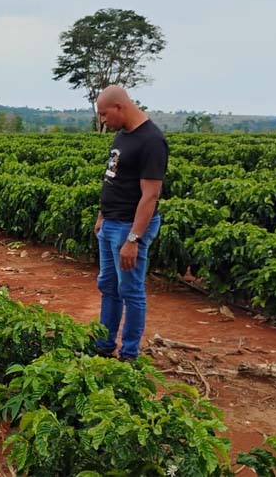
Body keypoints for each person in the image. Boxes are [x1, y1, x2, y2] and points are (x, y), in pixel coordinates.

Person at [92, 85, 168, 361]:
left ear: (119, 107)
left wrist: (133, 239)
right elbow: (113, 179)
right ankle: (104, 344)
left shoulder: (151, 141)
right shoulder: (122, 136)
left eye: (103, 114)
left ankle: (129, 354)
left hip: (128, 228)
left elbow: (150, 195)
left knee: (131, 291)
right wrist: (102, 215)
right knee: (108, 286)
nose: (102, 120)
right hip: (111, 223)